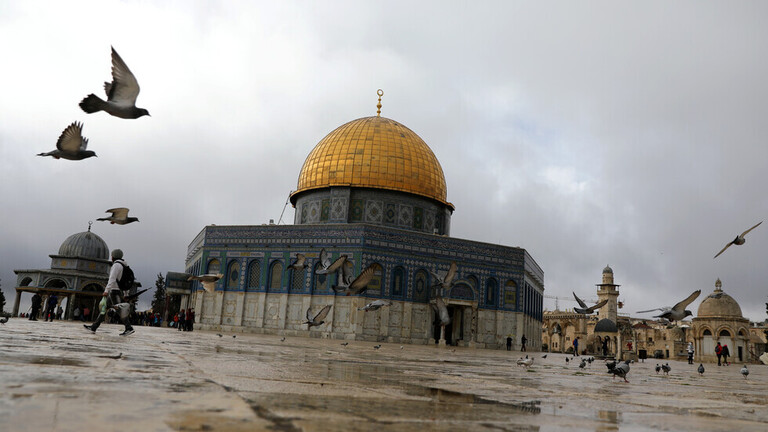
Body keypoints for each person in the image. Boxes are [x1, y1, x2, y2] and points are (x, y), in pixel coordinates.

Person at [84, 249, 135, 336]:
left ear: (113, 256)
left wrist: (106, 290)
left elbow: (112, 279)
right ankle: (94, 327)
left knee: (120, 310)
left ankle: (128, 327)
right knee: (104, 308)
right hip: (116, 291)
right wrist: (126, 294)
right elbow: (125, 282)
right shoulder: (124, 265)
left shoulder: (116, 265)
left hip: (114, 291)